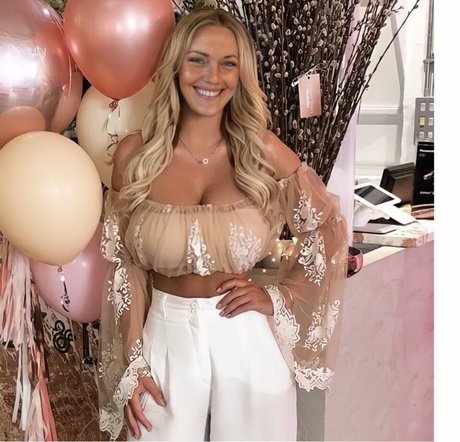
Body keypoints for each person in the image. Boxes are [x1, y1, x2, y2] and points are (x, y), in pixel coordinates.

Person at [97, 6, 348, 441]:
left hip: (246, 343)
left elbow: (328, 228)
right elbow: (126, 267)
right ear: (176, 67)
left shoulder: (262, 152)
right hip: (165, 341)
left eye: (227, 64)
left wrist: (278, 296)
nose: (212, 77)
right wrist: (132, 361)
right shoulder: (136, 157)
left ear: (240, 74)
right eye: (197, 60)